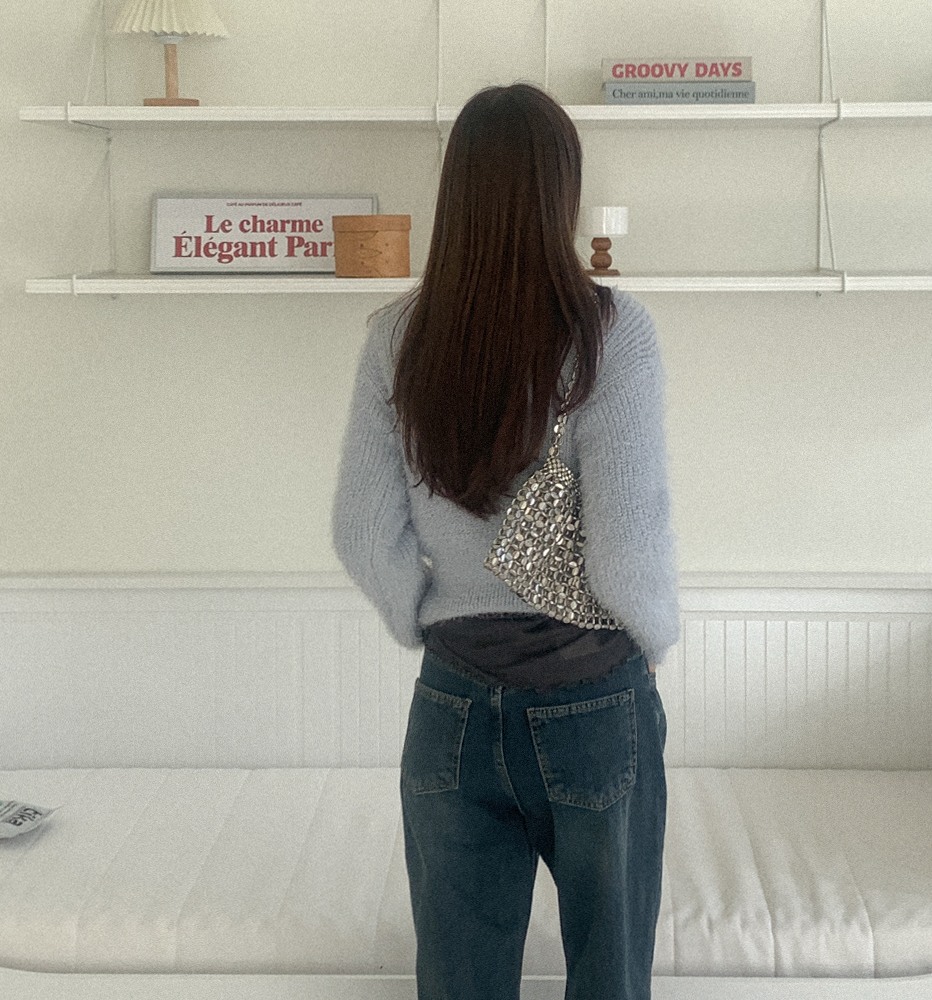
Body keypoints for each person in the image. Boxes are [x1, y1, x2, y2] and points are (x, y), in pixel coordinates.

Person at [333, 82, 678, 1000]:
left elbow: (361, 527)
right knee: (611, 976)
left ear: (459, 192)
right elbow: (628, 539)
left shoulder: (399, 335)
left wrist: (429, 619)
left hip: (453, 699)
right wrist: (652, 637)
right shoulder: (612, 332)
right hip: (593, 695)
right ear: (561, 191)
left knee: (460, 981)